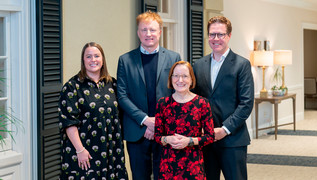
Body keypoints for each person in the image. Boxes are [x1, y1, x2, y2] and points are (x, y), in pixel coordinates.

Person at [117, 11, 181, 180]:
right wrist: (146, 120)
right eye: (144, 30)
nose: (148, 34)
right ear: (138, 33)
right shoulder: (125, 60)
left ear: (160, 31)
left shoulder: (174, 58)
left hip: (166, 131)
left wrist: (157, 123)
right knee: (139, 176)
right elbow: (122, 96)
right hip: (136, 130)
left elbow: (177, 94)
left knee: (166, 176)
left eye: (152, 30)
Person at [193, 16, 254, 180]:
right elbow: (193, 101)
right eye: (212, 34)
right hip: (206, 140)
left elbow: (246, 104)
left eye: (220, 34)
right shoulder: (198, 65)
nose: (216, 39)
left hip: (233, 140)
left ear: (229, 35)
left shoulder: (242, 65)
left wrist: (224, 129)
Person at [58, 42, 128, 180]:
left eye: (97, 56)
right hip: (84, 152)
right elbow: (68, 122)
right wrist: (80, 150)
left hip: (111, 151)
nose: (93, 60)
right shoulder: (72, 87)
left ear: (102, 59)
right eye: (88, 56)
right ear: (83, 60)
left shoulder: (112, 84)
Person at [154, 61, 215, 180]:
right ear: (171, 79)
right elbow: (157, 136)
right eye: (176, 76)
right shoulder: (162, 103)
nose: (180, 80)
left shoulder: (202, 103)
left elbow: (210, 137)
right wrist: (167, 139)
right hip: (168, 166)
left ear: (191, 79)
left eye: (184, 76)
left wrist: (189, 141)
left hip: (193, 165)